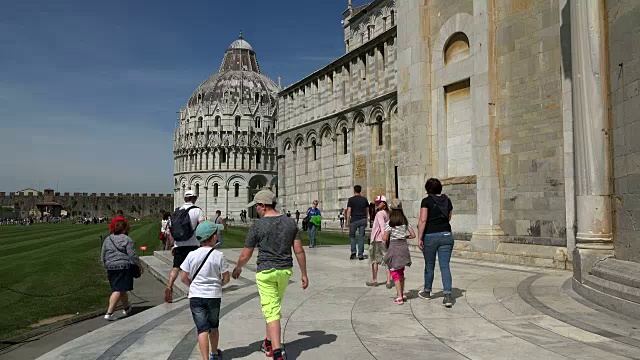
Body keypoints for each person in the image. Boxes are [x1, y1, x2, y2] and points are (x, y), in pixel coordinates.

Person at [231, 189, 309, 360]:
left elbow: (246, 254)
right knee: (272, 307)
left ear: (263, 206)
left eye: (257, 207)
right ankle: (267, 341)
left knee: (272, 311)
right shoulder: (290, 223)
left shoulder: (258, 225)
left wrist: (238, 268)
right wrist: (304, 274)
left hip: (266, 272)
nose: (256, 210)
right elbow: (299, 250)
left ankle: (276, 352)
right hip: (284, 272)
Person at [180, 221, 229, 360]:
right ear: (213, 237)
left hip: (196, 296)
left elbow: (183, 277)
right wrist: (220, 285)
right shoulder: (219, 255)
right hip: (213, 296)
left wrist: (192, 285)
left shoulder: (191, 255)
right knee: (213, 326)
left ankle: (205, 358)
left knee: (202, 329)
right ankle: (214, 353)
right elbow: (226, 277)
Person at [417, 178, 454, 308]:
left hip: (430, 236)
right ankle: (448, 295)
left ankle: (427, 291)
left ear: (428, 189)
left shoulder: (426, 201)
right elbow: (449, 217)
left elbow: (423, 220)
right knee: (445, 266)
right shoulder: (447, 200)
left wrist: (419, 237)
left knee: (429, 265)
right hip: (446, 235)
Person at [165, 190, 205, 303]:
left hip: (179, 244)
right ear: (193, 198)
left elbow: (170, 230)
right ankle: (193, 290)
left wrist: (173, 244)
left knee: (176, 267)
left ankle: (169, 286)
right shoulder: (197, 210)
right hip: (193, 244)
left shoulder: (177, 211)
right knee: (193, 269)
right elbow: (202, 227)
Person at [101, 219, 142, 320]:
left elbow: (103, 254)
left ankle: (126, 307)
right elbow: (132, 255)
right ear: (124, 229)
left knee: (122, 288)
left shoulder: (107, 239)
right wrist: (138, 265)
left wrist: (105, 265)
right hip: (123, 266)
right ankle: (109, 312)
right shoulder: (127, 239)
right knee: (118, 289)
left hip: (111, 266)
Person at [384, 199, 415, 305]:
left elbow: (385, 237)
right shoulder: (405, 221)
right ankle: (402, 292)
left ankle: (399, 296)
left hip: (394, 247)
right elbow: (413, 235)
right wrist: (404, 236)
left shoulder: (390, 223)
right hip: (403, 247)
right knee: (401, 271)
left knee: (394, 272)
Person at [366, 196, 392, 288]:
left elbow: (382, 226)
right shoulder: (387, 213)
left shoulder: (380, 213)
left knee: (374, 260)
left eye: (379, 202)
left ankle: (374, 280)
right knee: (386, 259)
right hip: (384, 238)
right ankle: (388, 281)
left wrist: (383, 237)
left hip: (378, 239)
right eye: (377, 202)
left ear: (384, 204)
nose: (377, 204)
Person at [346, 185, 369, 260]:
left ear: (354, 191)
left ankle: (353, 251)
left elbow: (349, 211)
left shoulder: (351, 200)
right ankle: (360, 254)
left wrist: (347, 220)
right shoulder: (364, 199)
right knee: (361, 237)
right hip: (362, 219)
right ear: (360, 190)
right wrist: (367, 219)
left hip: (354, 220)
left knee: (352, 236)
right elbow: (367, 210)